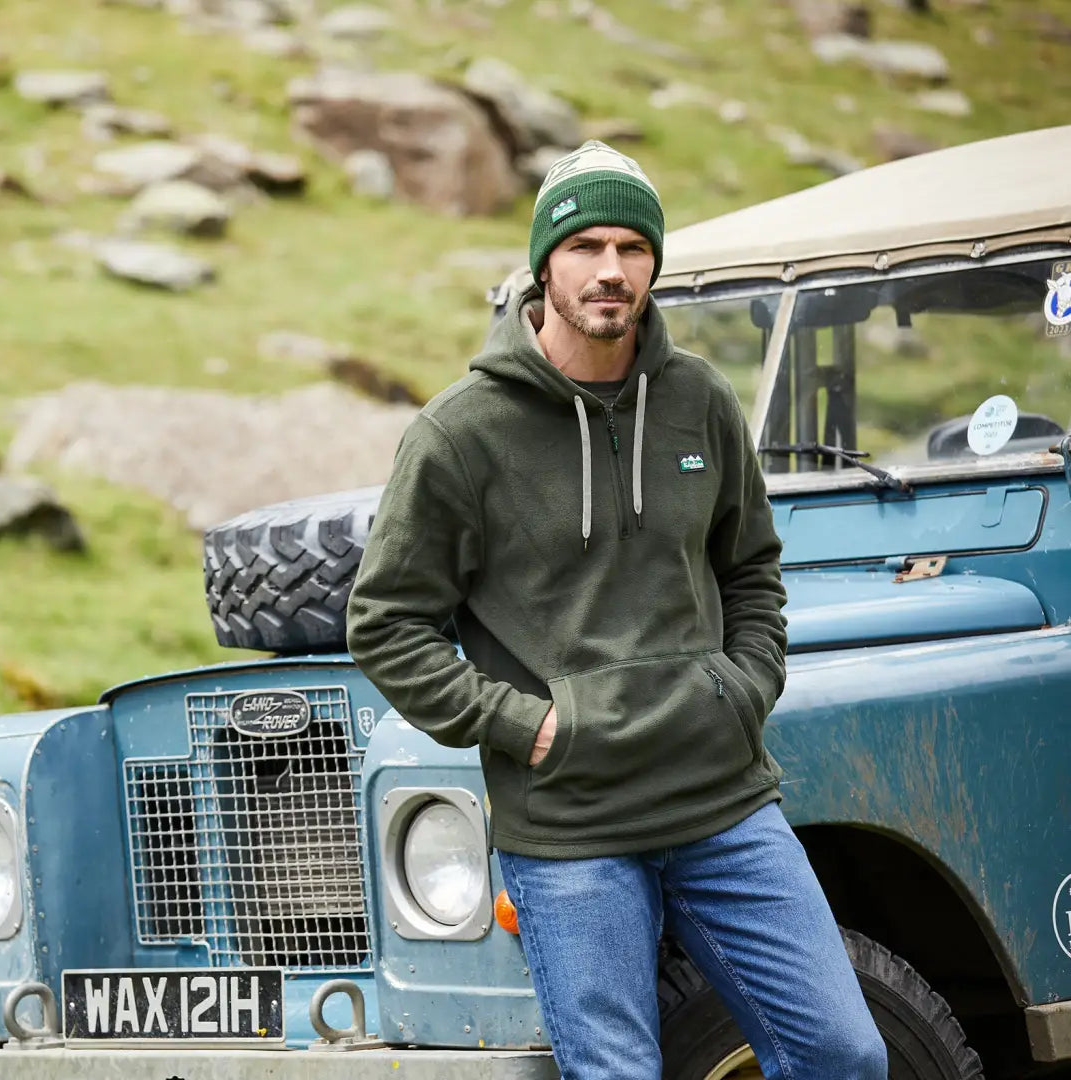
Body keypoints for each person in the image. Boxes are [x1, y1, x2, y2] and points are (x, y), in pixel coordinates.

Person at [346, 141, 886, 1080]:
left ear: (653, 265)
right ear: (543, 264)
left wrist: (740, 688)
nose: (610, 270)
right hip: (570, 826)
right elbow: (387, 622)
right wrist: (530, 726)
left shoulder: (700, 400)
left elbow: (752, 570)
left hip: (722, 802)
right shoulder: (458, 435)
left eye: (633, 248)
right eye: (586, 246)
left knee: (842, 1053)